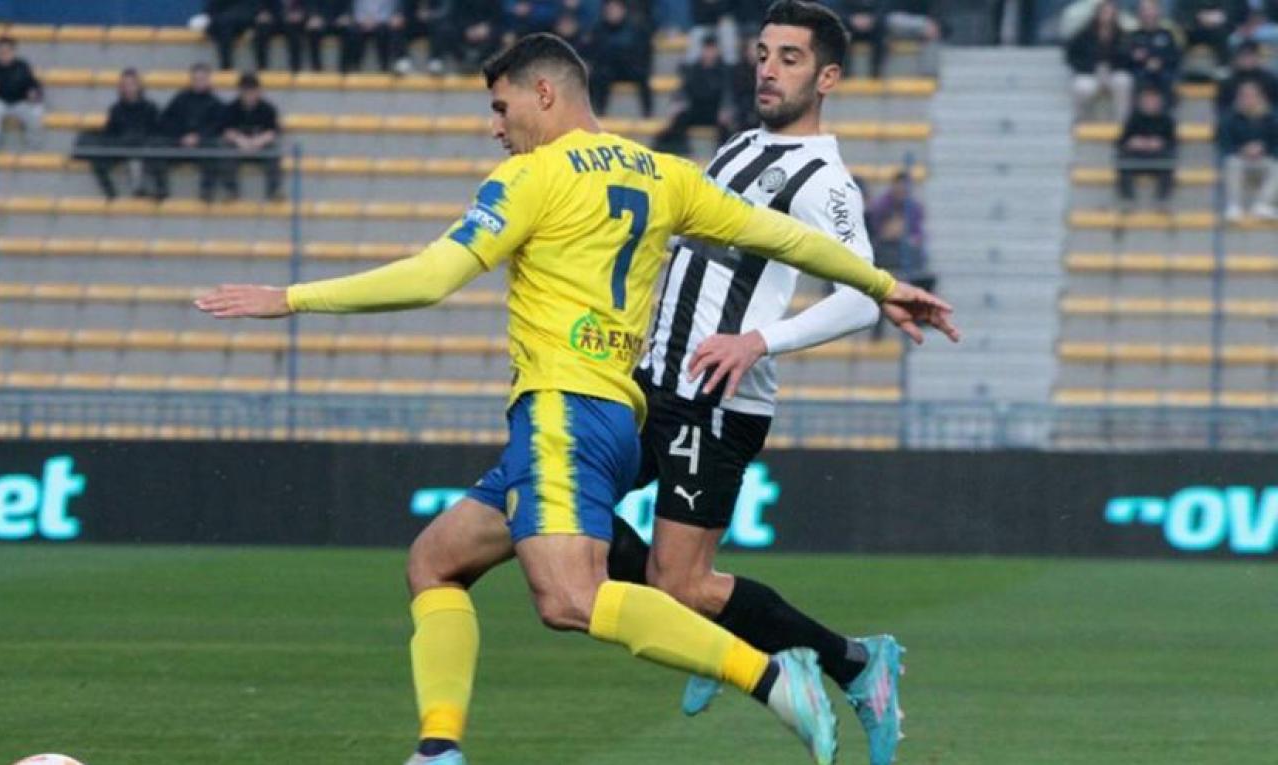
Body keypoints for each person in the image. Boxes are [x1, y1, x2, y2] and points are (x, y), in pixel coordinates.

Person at [195, 32, 955, 765]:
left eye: (501, 108)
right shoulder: (663, 173)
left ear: (544, 93)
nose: (495, 127)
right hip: (622, 406)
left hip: (565, 409)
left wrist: (291, 298)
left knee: (569, 598)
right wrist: (882, 282)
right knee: (435, 561)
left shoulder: (533, 178)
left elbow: (432, 277)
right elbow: (785, 239)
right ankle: (438, 746)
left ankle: (771, 676)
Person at [618, 9, 934, 765]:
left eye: (790, 58)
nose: (767, 68)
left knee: (679, 585)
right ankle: (723, 635)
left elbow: (859, 299)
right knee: (560, 508)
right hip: (652, 381)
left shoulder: (825, 181)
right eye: (763, 53)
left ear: (828, 78)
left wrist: (760, 339)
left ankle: (854, 662)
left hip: (714, 398)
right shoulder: (739, 146)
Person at [72, 69, 160, 199]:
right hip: (121, 146)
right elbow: (111, 132)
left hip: (141, 148)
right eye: (124, 85)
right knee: (98, 159)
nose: (128, 88)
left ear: (139, 86)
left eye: (131, 84)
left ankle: (139, 189)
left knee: (136, 153)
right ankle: (111, 195)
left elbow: (156, 131)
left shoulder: (150, 107)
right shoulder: (116, 109)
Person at [867, 169, 935, 339]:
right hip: (884, 255)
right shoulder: (881, 205)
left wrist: (904, 235)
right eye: (899, 186)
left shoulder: (914, 208)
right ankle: (878, 333)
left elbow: (917, 235)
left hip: (906, 256)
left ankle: (919, 319)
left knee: (925, 279)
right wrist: (892, 232)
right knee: (882, 292)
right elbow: (879, 232)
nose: (902, 190)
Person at [149, 63, 227, 202]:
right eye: (196, 79)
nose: (199, 82)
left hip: (203, 146)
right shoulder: (180, 99)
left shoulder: (216, 103)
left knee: (216, 148)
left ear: (208, 80)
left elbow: (218, 126)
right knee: (156, 145)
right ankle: (161, 189)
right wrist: (181, 136)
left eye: (202, 79)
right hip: (179, 143)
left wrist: (198, 137)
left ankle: (207, 191)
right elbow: (165, 121)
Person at [652, 33, 733, 153]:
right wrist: (678, 104)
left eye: (712, 49)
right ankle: (679, 149)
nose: (709, 53)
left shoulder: (724, 70)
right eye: (707, 49)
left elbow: (728, 93)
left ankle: (724, 152)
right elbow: (683, 90)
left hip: (715, 111)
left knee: (726, 127)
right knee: (680, 119)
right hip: (696, 108)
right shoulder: (694, 69)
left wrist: (726, 108)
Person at [1218, 80, 1278, 220]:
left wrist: (1263, 148)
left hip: (1264, 160)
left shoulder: (1272, 118)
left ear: (1260, 97)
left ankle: (1263, 205)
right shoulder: (1229, 119)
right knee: (1232, 163)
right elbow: (1225, 145)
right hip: (1240, 160)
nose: (1248, 100)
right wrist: (1242, 150)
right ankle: (1234, 206)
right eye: (1244, 96)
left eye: (1252, 96)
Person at [1065, 0, 1133, 122]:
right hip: (1090, 73)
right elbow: (1071, 56)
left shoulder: (1122, 35)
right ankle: (1081, 121)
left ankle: (1122, 122)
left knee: (1124, 81)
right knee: (1080, 86)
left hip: (1113, 73)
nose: (1107, 15)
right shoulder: (1084, 34)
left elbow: (1127, 58)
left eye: (1110, 12)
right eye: (1104, 12)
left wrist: (1112, 68)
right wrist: (1088, 68)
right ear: (1097, 13)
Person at [219, 73, 284, 200]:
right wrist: (240, 141)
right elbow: (225, 130)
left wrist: (257, 142)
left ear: (259, 91)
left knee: (274, 153)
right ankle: (231, 191)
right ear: (240, 92)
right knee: (225, 153)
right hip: (238, 147)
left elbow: (273, 132)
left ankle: (274, 191)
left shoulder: (268, 109)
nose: (249, 95)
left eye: (252, 91)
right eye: (246, 92)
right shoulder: (231, 108)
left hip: (260, 146)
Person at [588, 0, 655, 117]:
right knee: (598, 76)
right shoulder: (598, 30)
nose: (612, 12)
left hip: (630, 67)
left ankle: (648, 113)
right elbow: (595, 53)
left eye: (616, 9)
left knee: (643, 76)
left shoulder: (635, 29)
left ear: (623, 10)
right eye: (610, 10)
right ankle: (599, 112)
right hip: (609, 69)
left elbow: (643, 51)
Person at [1115, 85, 1176, 209]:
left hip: (1157, 158)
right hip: (1136, 157)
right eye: (1147, 100)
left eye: (1153, 100)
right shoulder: (1133, 118)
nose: (1150, 103)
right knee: (1122, 159)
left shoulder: (1166, 120)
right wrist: (1132, 142)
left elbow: (1173, 143)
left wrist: (1161, 143)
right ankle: (1127, 200)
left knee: (1169, 161)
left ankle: (1162, 201)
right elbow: (1121, 141)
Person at [0, 36, 44, 149]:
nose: (4, 54)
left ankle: (33, 144)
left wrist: (33, 94)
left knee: (37, 110)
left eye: (7, 51)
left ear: (14, 52)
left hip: (20, 103)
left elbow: (33, 84)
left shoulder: (22, 66)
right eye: (1, 52)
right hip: (0, 103)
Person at [1121, 0, 1181, 104]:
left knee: (1169, 78)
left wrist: (1160, 62)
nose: (1148, 13)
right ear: (1139, 13)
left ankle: (1164, 111)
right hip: (1140, 73)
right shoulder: (1132, 36)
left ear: (1158, 11)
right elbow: (1124, 60)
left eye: (1151, 9)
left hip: (1163, 73)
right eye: (1144, 10)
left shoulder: (1167, 34)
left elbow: (1175, 56)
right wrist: (1135, 57)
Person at [1173, 0, 1244, 70]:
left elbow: (1239, 14)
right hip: (1193, 33)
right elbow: (1180, 15)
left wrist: (1222, 18)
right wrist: (1199, 17)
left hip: (1223, 33)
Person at [1216, 40, 1278, 117]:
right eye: (1244, 56)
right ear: (1236, 58)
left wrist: (1266, 109)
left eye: (1251, 55)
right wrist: (1236, 109)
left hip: (1268, 120)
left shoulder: (1270, 80)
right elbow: (1221, 109)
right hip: (1236, 120)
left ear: (1259, 57)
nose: (1247, 59)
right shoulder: (1228, 82)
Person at [342, 0, 399, 72]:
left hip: (382, 23)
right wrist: (363, 20)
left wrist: (376, 21)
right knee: (353, 32)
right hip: (360, 22)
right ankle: (353, 66)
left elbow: (390, 11)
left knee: (385, 32)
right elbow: (355, 10)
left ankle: (385, 67)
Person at [206, 0, 263, 70]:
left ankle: (262, 68)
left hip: (247, 22)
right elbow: (211, 11)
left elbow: (258, 11)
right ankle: (226, 67)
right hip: (225, 25)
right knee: (224, 28)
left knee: (262, 27)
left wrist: (252, 23)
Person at [835, 0, 887, 77]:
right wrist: (851, 19)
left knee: (881, 34)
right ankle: (845, 73)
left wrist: (872, 20)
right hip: (850, 27)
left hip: (873, 28)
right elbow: (837, 12)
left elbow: (884, 11)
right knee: (842, 35)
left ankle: (876, 72)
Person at [254, 0, 307, 72]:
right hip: (273, 20)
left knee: (295, 34)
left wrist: (301, 15)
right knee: (261, 32)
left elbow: (307, 6)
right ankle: (262, 68)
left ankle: (296, 69)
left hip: (294, 23)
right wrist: (262, 13)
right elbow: (260, 6)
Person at [304, 0, 353, 72]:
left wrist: (346, 16)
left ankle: (344, 67)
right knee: (313, 32)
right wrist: (313, 16)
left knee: (350, 32)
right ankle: (316, 67)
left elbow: (348, 8)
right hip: (321, 22)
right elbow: (311, 6)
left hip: (339, 22)